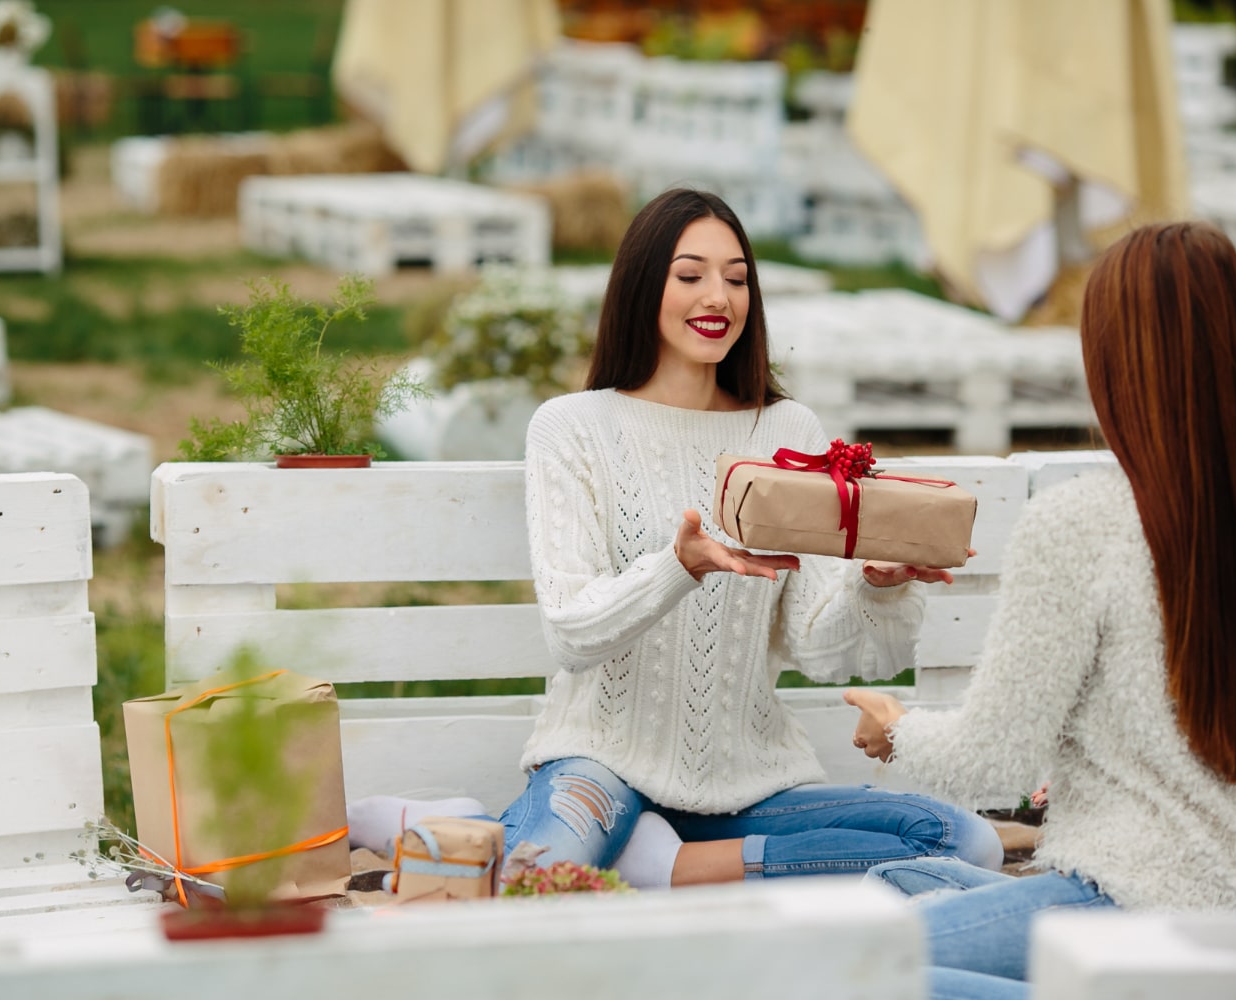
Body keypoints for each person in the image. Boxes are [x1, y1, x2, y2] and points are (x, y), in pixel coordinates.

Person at [348, 188, 1003, 887]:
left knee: (965, 843)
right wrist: (677, 567)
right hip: (602, 768)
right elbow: (571, 633)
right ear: (642, 288)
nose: (717, 296)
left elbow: (822, 649)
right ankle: (481, 830)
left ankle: (663, 862)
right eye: (690, 275)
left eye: (737, 277)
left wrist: (877, 588)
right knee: (538, 885)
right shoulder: (573, 429)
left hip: (746, 786)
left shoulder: (786, 432)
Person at [844, 221, 1236, 999]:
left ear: (1112, 356)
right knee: (899, 883)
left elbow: (991, 758)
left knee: (844, 964)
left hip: (1112, 904)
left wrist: (894, 728)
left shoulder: (1081, 523)